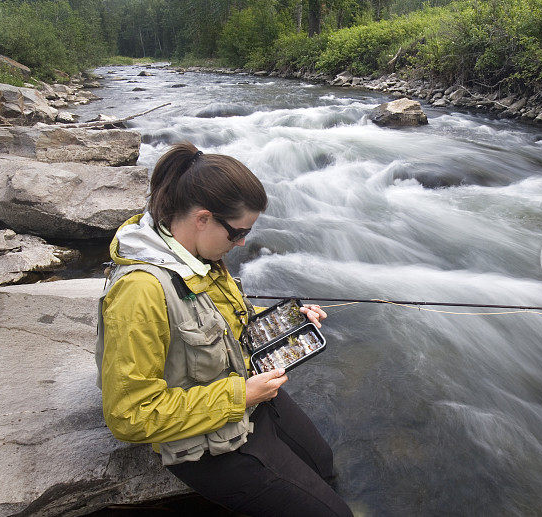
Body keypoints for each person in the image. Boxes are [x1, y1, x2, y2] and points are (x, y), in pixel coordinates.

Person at [95, 142, 352, 516]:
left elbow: (226, 318)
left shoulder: (194, 253)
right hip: (205, 438)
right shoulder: (140, 292)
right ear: (203, 218)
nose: (243, 242)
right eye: (237, 233)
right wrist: (241, 396)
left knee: (323, 465)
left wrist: (287, 321)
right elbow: (129, 415)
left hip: (244, 391)